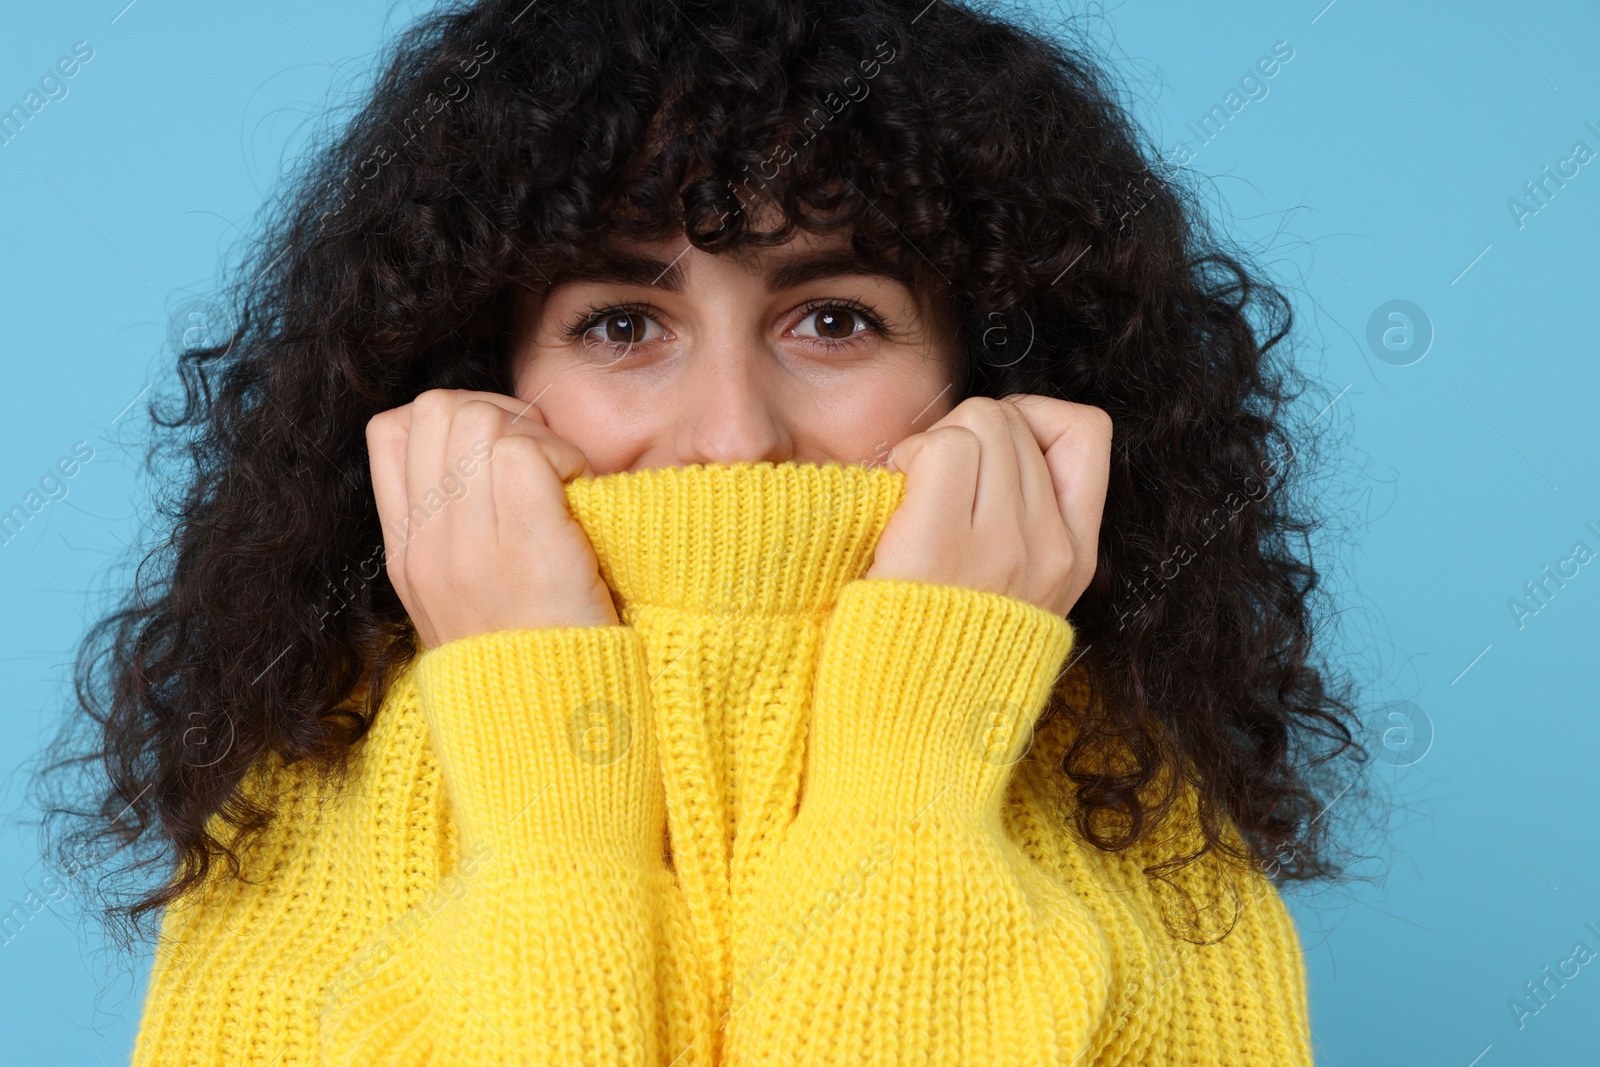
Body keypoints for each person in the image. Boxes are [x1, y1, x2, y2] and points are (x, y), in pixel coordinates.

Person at [39, 0, 1368, 1063]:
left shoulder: (1135, 804)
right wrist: (542, 757)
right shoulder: (305, 783)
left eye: (835, 318)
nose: (733, 433)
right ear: (479, 367)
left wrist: (917, 758)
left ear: (990, 369)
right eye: (623, 324)